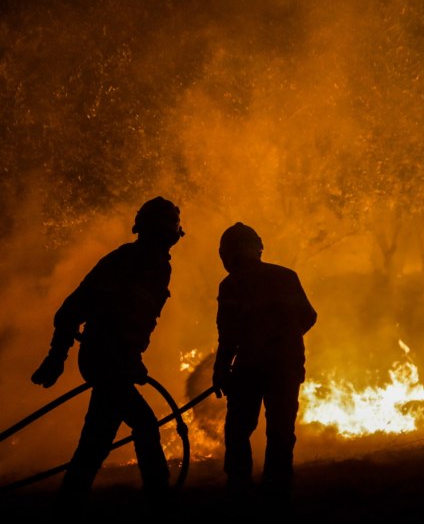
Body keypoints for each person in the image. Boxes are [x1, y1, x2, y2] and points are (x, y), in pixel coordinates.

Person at [30, 196, 185, 514]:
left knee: (96, 441)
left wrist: (133, 358)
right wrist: (56, 358)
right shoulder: (122, 263)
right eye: (164, 232)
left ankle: (67, 504)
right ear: (151, 232)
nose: (168, 241)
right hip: (103, 359)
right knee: (144, 424)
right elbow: (70, 311)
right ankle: (160, 503)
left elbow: (134, 323)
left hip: (119, 361)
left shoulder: (159, 268)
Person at [212, 222, 317, 505]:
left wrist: (221, 370)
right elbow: (308, 317)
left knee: (238, 431)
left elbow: (228, 335)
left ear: (227, 254)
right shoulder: (285, 276)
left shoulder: (231, 284)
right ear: (258, 248)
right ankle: (276, 492)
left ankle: (239, 490)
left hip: (249, 369)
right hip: (285, 368)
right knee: (281, 431)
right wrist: (284, 340)